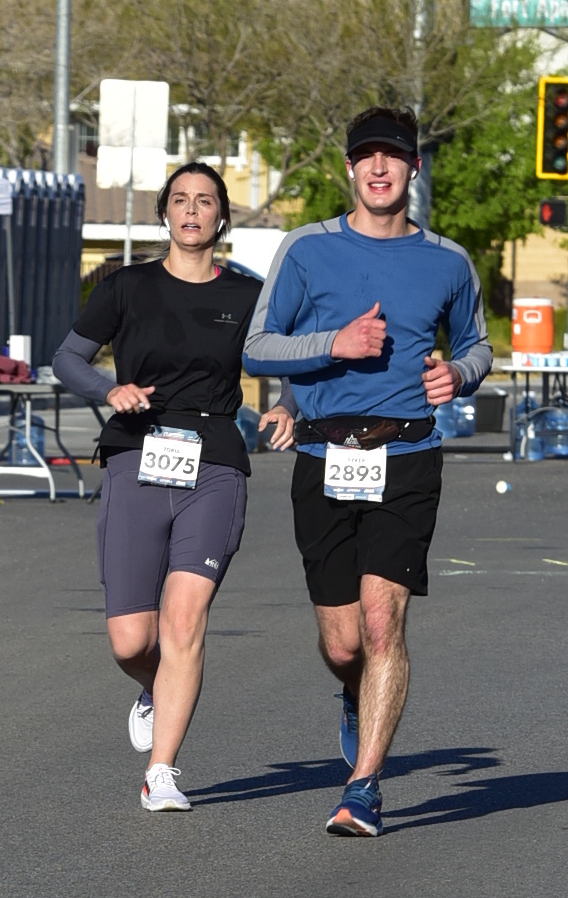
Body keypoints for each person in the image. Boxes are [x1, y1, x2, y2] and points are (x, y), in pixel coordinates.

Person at [242, 104, 491, 837]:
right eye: (368, 156)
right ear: (349, 168)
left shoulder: (448, 260)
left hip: (407, 455)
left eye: (394, 156)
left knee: (384, 625)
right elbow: (257, 346)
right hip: (324, 457)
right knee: (343, 644)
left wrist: (460, 375)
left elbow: (476, 345)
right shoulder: (306, 249)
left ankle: (364, 787)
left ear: (414, 167)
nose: (380, 168)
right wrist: (335, 343)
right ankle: (354, 695)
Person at [52, 161, 287, 813]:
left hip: (215, 463)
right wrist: (110, 390)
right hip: (137, 454)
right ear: (164, 213)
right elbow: (67, 358)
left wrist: (286, 404)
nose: (191, 210)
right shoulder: (127, 286)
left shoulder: (248, 295)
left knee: (184, 622)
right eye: (180, 200)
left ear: (221, 217)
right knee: (132, 639)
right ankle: (152, 687)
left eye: (205, 201)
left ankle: (162, 772)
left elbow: (287, 361)